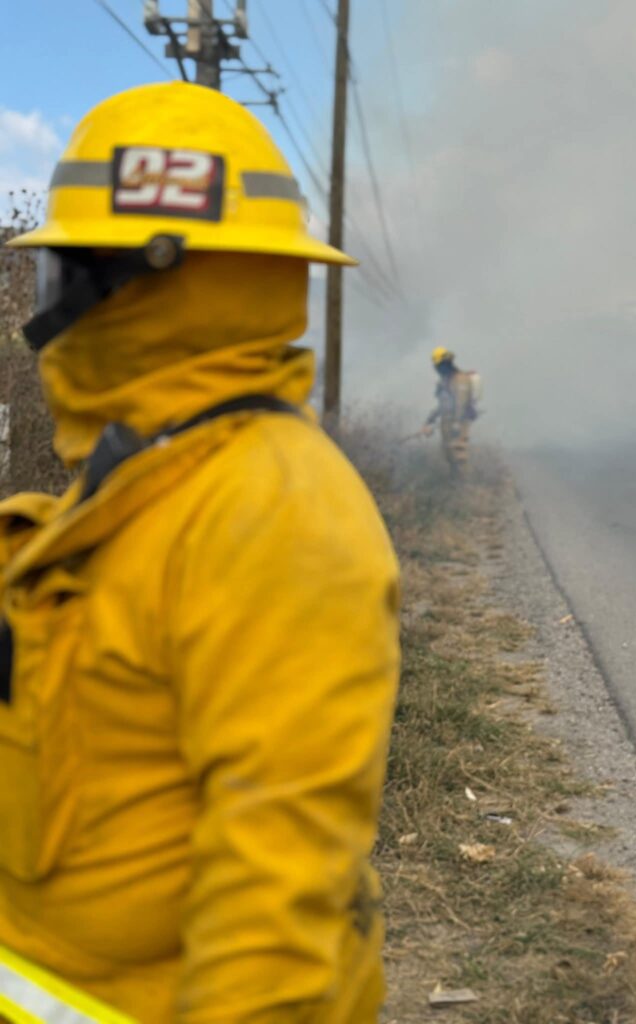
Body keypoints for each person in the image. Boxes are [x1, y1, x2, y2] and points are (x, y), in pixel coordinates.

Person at [0, 82, 400, 1024]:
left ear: (132, 278)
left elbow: (273, 918)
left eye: (60, 271)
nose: (46, 309)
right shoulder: (155, 474)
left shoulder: (273, 517)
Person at [421, 347, 478, 475]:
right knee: (449, 454)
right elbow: (443, 405)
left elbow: (461, 402)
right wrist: (429, 421)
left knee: (458, 453)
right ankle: (456, 481)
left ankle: (467, 485)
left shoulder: (460, 379)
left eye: (439, 366)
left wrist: (457, 422)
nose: (437, 369)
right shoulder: (445, 381)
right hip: (447, 422)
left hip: (458, 423)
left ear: (446, 364)